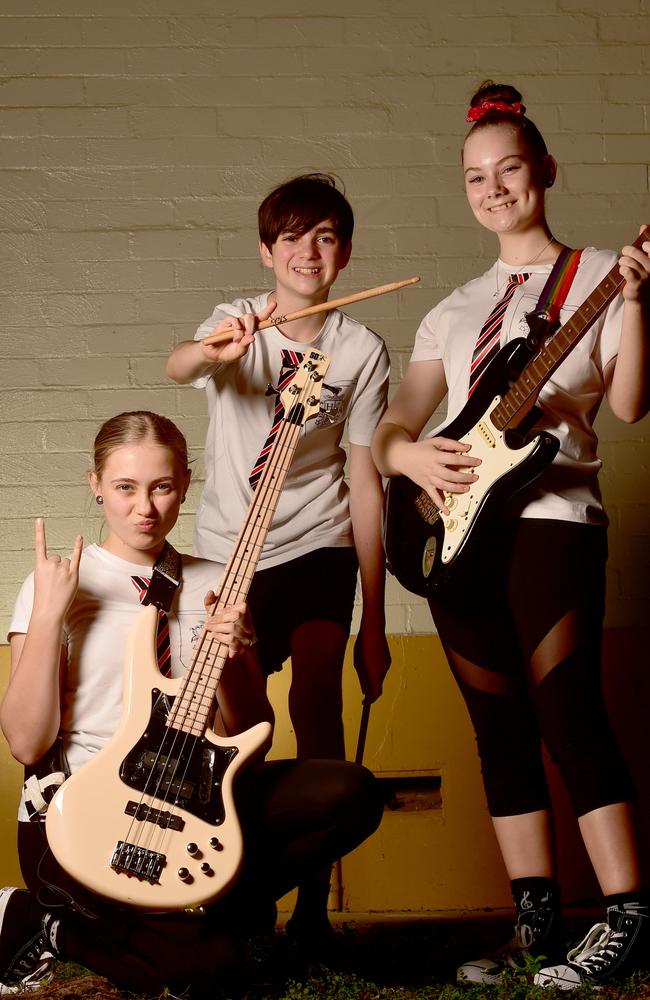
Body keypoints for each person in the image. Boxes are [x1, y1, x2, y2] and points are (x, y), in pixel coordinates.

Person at [371, 81, 650, 990]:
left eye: (510, 170)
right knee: (498, 729)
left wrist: (638, 303)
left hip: (552, 519)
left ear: (545, 171)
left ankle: (627, 918)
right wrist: (407, 459)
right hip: (457, 531)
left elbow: (632, 404)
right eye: (475, 178)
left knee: (567, 708)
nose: (493, 190)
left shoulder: (602, 274)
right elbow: (397, 421)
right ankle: (533, 923)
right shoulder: (451, 309)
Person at [0, 411, 383, 999]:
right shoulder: (56, 585)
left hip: (189, 804)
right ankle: (41, 921)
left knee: (350, 793)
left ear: (185, 483)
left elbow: (252, 736)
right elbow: (27, 743)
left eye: (162, 486)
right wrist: (50, 615)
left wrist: (229, 657)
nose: (144, 508)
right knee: (207, 972)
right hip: (83, 818)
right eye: (125, 487)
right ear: (96, 484)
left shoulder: (218, 583)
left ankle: (207, 908)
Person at [166, 173, 391, 947]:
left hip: (320, 543)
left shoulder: (360, 348)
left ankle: (314, 906)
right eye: (291, 238)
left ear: (346, 253)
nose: (308, 251)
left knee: (319, 699)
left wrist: (378, 619)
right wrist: (213, 346)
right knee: (241, 724)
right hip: (234, 555)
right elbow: (177, 368)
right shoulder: (238, 320)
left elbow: (364, 477)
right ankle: (241, 889)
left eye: (325, 236)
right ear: (267, 252)